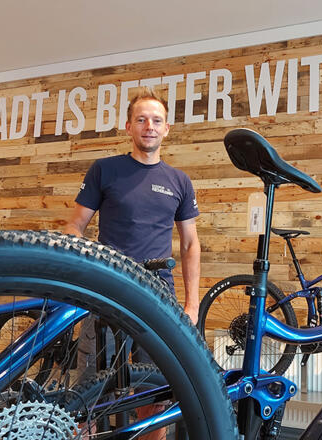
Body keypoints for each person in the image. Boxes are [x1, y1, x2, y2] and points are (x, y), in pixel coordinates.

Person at [64, 87, 200, 440]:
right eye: (141, 119)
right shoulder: (105, 170)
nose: (149, 126)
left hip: (158, 298)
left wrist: (192, 305)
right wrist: (86, 273)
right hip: (108, 292)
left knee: (155, 396)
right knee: (88, 394)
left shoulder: (179, 181)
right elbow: (75, 227)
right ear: (129, 127)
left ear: (166, 128)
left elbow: (190, 244)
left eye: (156, 120)